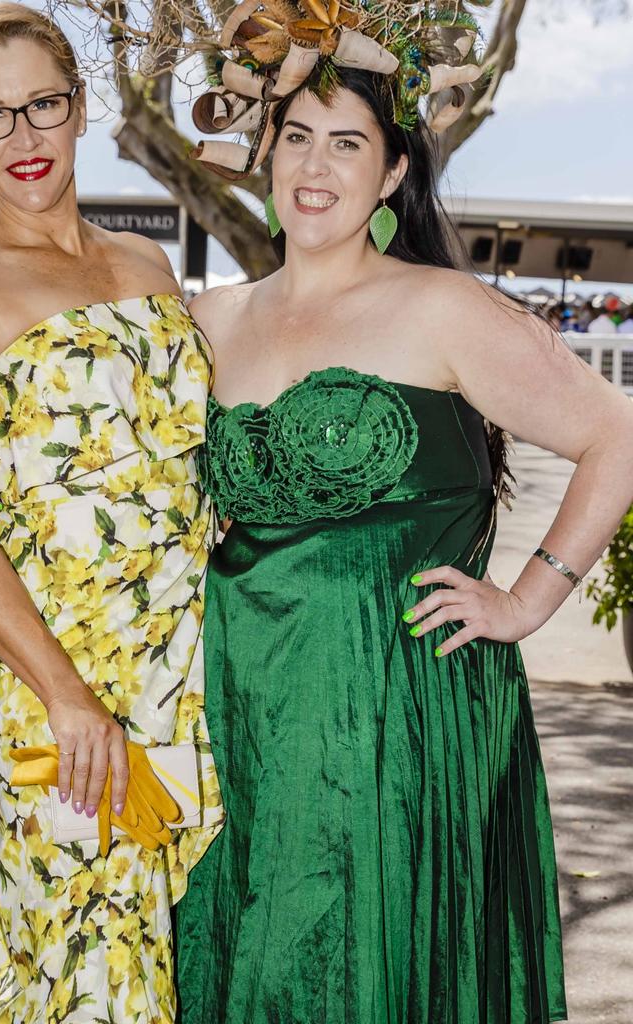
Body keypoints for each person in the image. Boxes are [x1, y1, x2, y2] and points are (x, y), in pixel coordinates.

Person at [173, 13, 633, 1024]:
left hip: (395, 719)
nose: (315, 165)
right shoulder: (211, 320)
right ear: (264, 149)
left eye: (348, 143)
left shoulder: (443, 310)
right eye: (296, 136)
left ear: (389, 177)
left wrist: (525, 598)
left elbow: (617, 435)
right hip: (243, 712)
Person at [0, 4, 221, 1021]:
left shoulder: (150, 269)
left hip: (195, 677)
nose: (22, 138)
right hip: (63, 695)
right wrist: (69, 697)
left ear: (81, 107)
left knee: (169, 963)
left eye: (41, 104)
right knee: (75, 960)